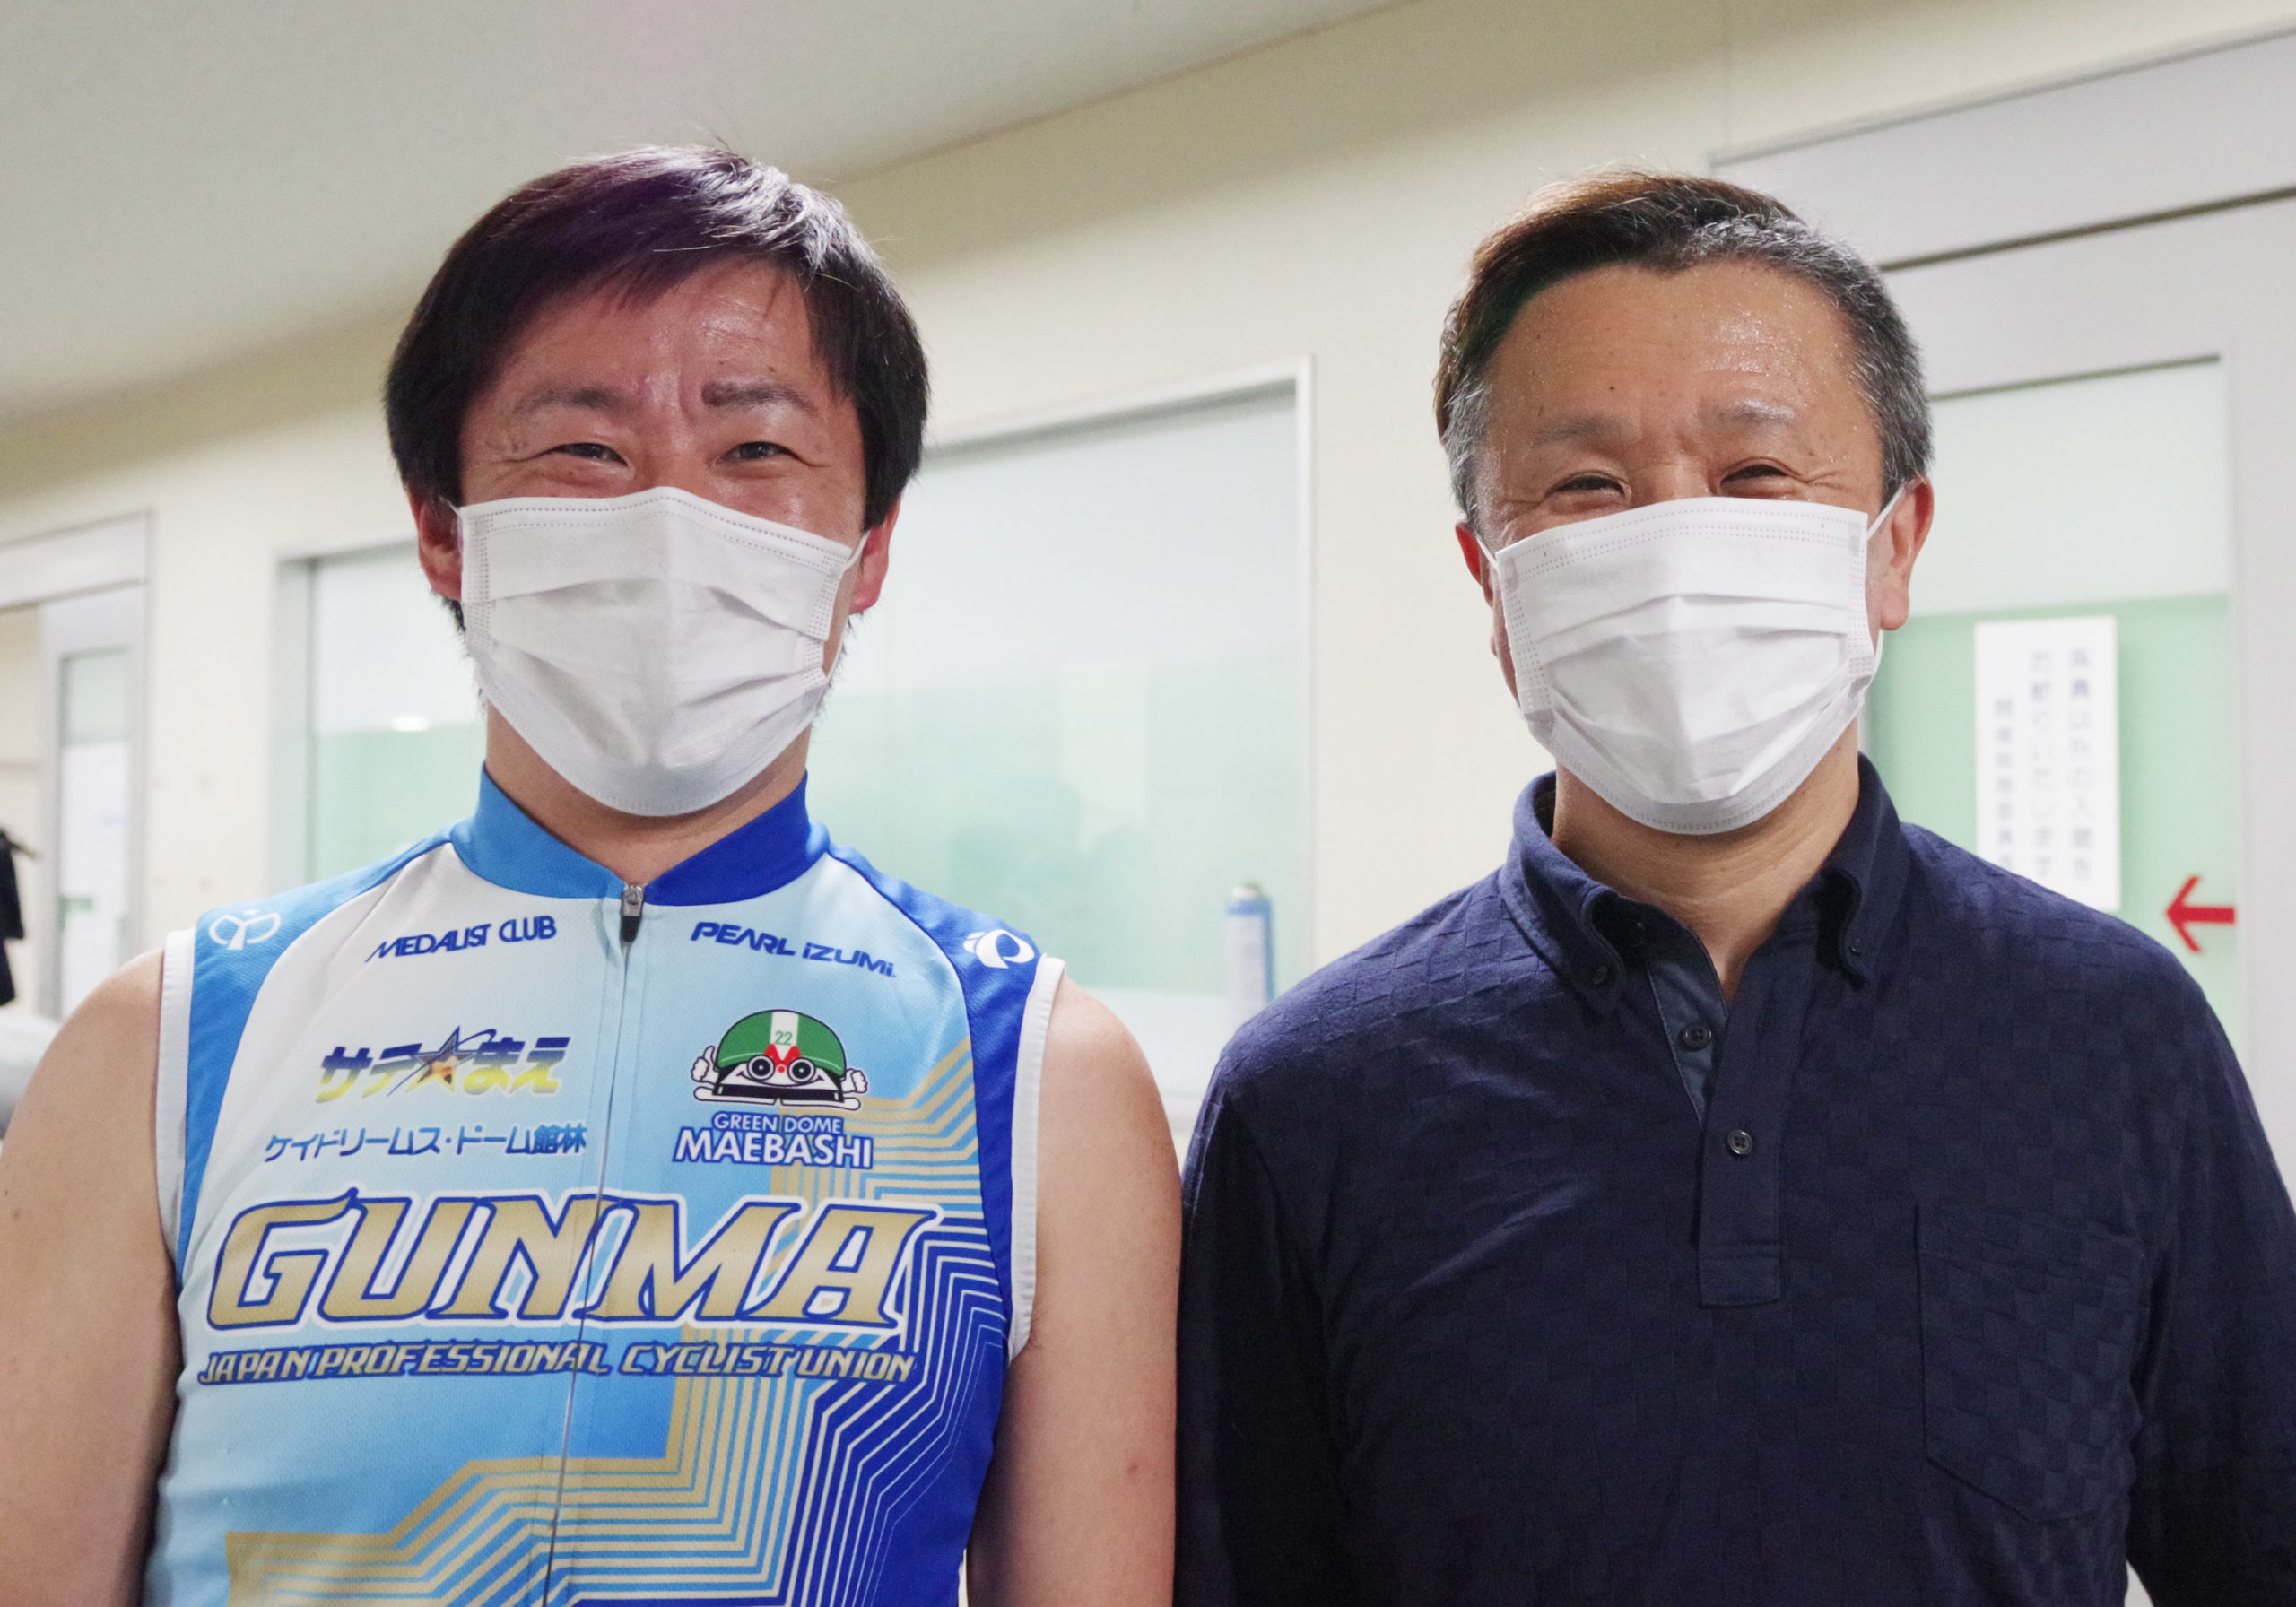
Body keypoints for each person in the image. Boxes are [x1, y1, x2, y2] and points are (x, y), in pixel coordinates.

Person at [0, 148, 1178, 1607]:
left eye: (757, 449)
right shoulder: (170, 1041)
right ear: (444, 531)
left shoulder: (1035, 1067)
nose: (670, 514)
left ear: (866, 550)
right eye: (584, 450)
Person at [1177, 173, 2296, 1606]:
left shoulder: (2115, 1033)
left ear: (1895, 547)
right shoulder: (1312, 1096)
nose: (1675, 548)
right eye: (1588, 487)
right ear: (1491, 581)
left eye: (1758, 474)